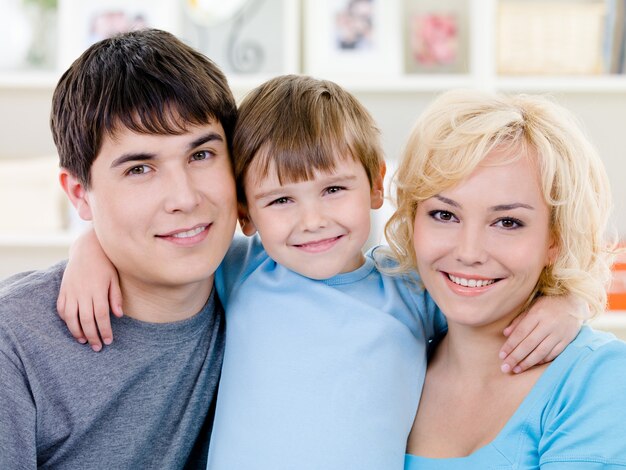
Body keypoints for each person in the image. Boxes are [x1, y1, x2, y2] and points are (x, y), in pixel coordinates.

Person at [57, 75, 585, 470]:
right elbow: (162, 252)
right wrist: (89, 250)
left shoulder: (410, 288)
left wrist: (567, 304)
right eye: (281, 199)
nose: (312, 221)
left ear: (377, 185)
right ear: (245, 213)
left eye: (334, 189)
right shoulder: (240, 270)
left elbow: (487, 303)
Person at [0, 29, 238, 468]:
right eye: (140, 168)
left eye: (201, 155)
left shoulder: (265, 289)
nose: (184, 198)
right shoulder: (14, 341)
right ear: (79, 194)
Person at [383, 89, 626, 467]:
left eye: (507, 222)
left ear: (555, 240)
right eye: (445, 215)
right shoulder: (385, 354)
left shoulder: (598, 377)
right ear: (411, 219)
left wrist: (575, 298)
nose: (469, 251)